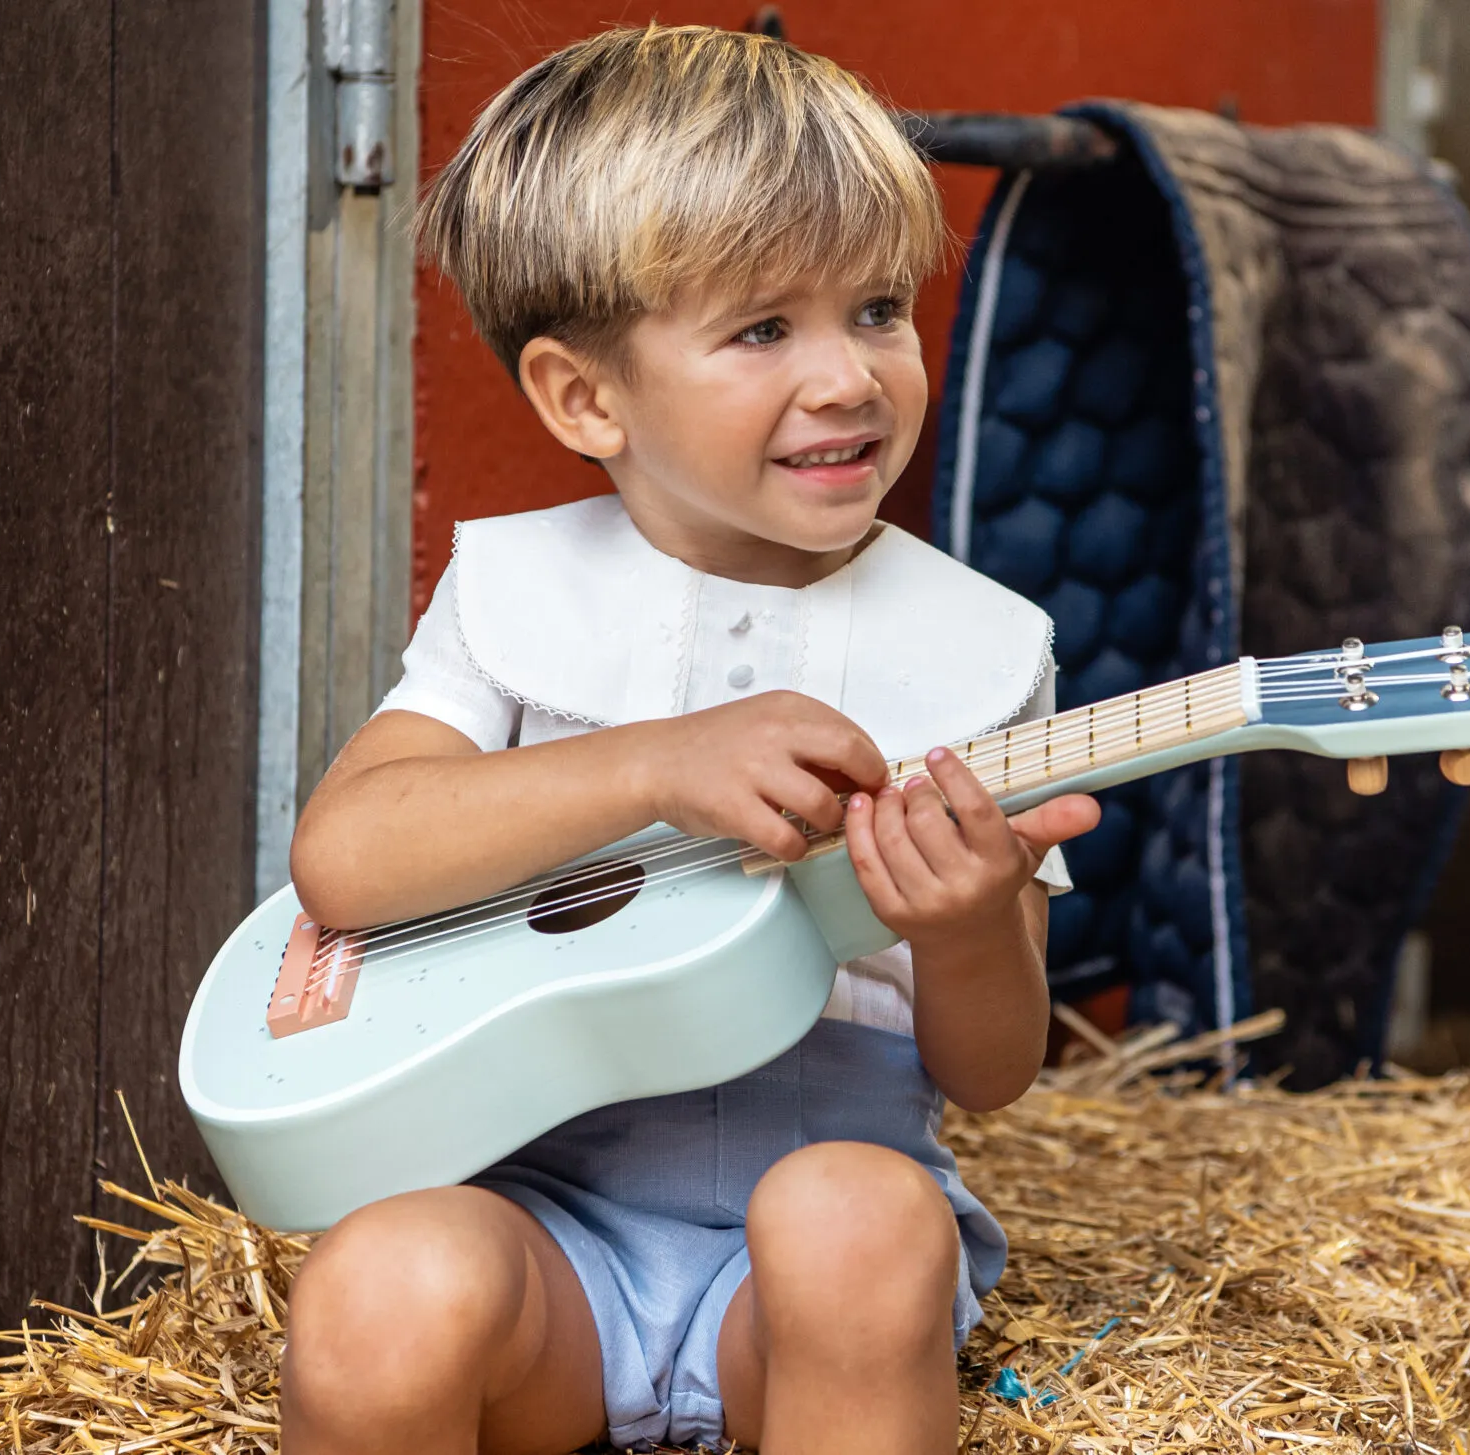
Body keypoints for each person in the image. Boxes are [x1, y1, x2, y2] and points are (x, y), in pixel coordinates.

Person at [276, 24, 1099, 1455]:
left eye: (879, 310)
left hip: (803, 1283)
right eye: (764, 329)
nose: (847, 377)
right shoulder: (522, 593)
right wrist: (654, 762)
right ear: (586, 396)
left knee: (857, 1218)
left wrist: (970, 928)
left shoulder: (980, 647)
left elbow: (993, 1068)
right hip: (552, 1234)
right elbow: (347, 860)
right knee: (380, 1282)